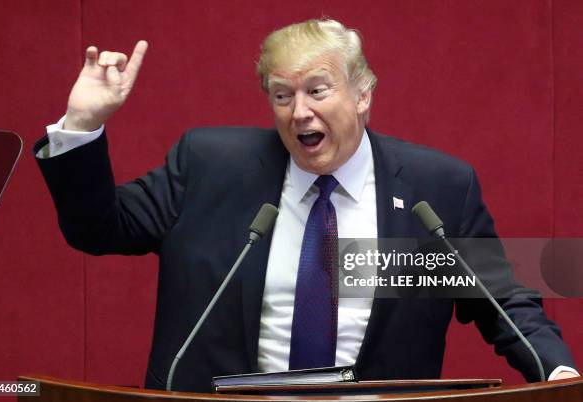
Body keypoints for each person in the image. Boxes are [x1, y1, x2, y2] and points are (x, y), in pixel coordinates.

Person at [35, 19, 578, 392]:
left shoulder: (433, 191)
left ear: (362, 94)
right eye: (281, 94)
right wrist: (82, 125)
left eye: (318, 91)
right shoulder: (210, 166)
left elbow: (503, 301)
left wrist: (557, 377)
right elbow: (98, 228)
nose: (299, 112)